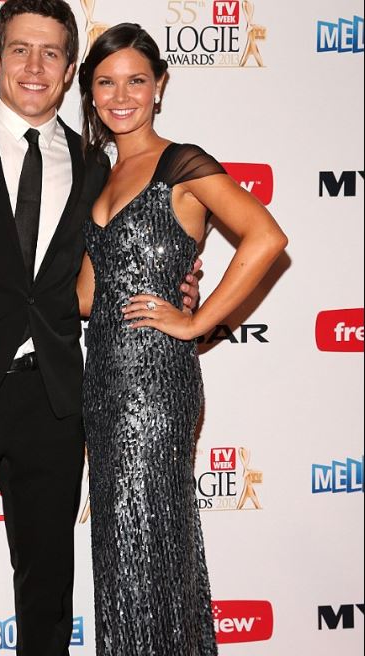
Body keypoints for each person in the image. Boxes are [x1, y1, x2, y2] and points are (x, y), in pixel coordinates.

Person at [0, 2, 199, 655]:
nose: (34, 66)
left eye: (51, 53)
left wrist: (175, 287)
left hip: (51, 402)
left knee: (48, 589)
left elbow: (111, 269)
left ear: (69, 69)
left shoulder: (96, 166)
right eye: (20, 49)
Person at [77, 24, 288, 655]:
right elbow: (87, 296)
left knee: (150, 547)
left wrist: (198, 321)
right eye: (105, 83)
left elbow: (266, 239)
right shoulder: (100, 175)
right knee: (125, 552)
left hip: (157, 385)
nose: (121, 96)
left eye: (136, 80)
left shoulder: (182, 163)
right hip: (103, 381)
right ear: (89, 94)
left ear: (160, 86)